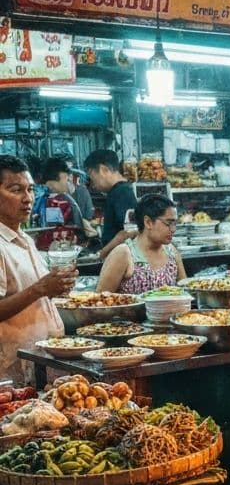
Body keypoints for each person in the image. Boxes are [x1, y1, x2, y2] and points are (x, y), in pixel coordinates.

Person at [0, 155, 76, 385]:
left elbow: (32, 294)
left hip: (43, 361)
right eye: (15, 190)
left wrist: (55, 286)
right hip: (14, 369)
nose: (27, 198)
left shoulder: (23, 239)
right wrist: (41, 288)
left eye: (30, 190)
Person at [97, 193, 185, 294]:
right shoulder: (123, 254)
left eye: (175, 223)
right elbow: (100, 302)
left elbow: (185, 291)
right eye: (169, 223)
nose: (173, 229)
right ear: (148, 222)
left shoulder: (171, 252)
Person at [84, 148, 137, 260]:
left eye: (92, 176)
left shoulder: (122, 192)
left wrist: (102, 254)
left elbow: (129, 232)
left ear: (104, 170)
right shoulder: (116, 191)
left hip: (122, 260)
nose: (92, 184)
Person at [33, 157, 86, 251]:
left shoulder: (38, 196)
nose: (68, 183)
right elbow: (55, 229)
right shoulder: (56, 201)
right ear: (53, 182)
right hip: (58, 251)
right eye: (66, 179)